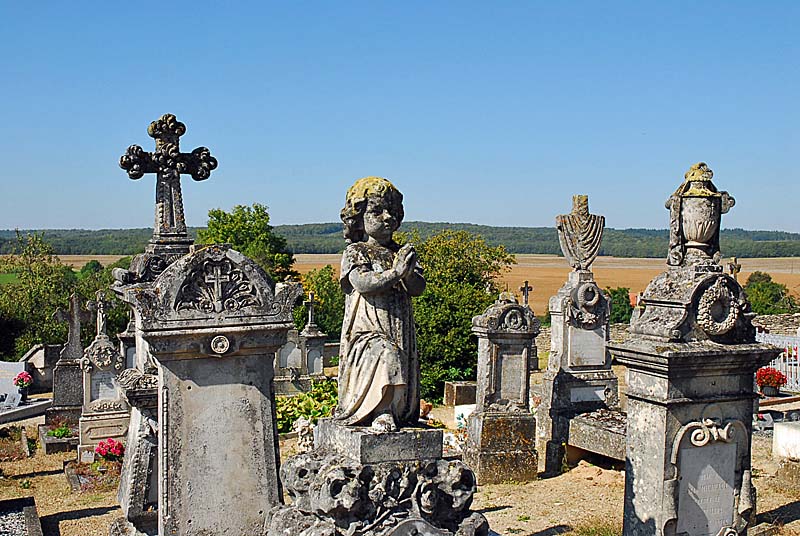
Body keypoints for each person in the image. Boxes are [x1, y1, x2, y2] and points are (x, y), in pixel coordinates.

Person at [336, 177, 426, 432]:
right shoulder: (356, 251)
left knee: (398, 358)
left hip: (398, 328)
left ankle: (397, 411)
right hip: (367, 329)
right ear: (359, 217)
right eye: (377, 211)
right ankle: (380, 410)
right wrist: (396, 273)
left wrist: (408, 274)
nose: (387, 218)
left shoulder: (400, 253)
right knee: (385, 354)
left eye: (393, 212)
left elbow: (418, 288)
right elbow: (363, 283)